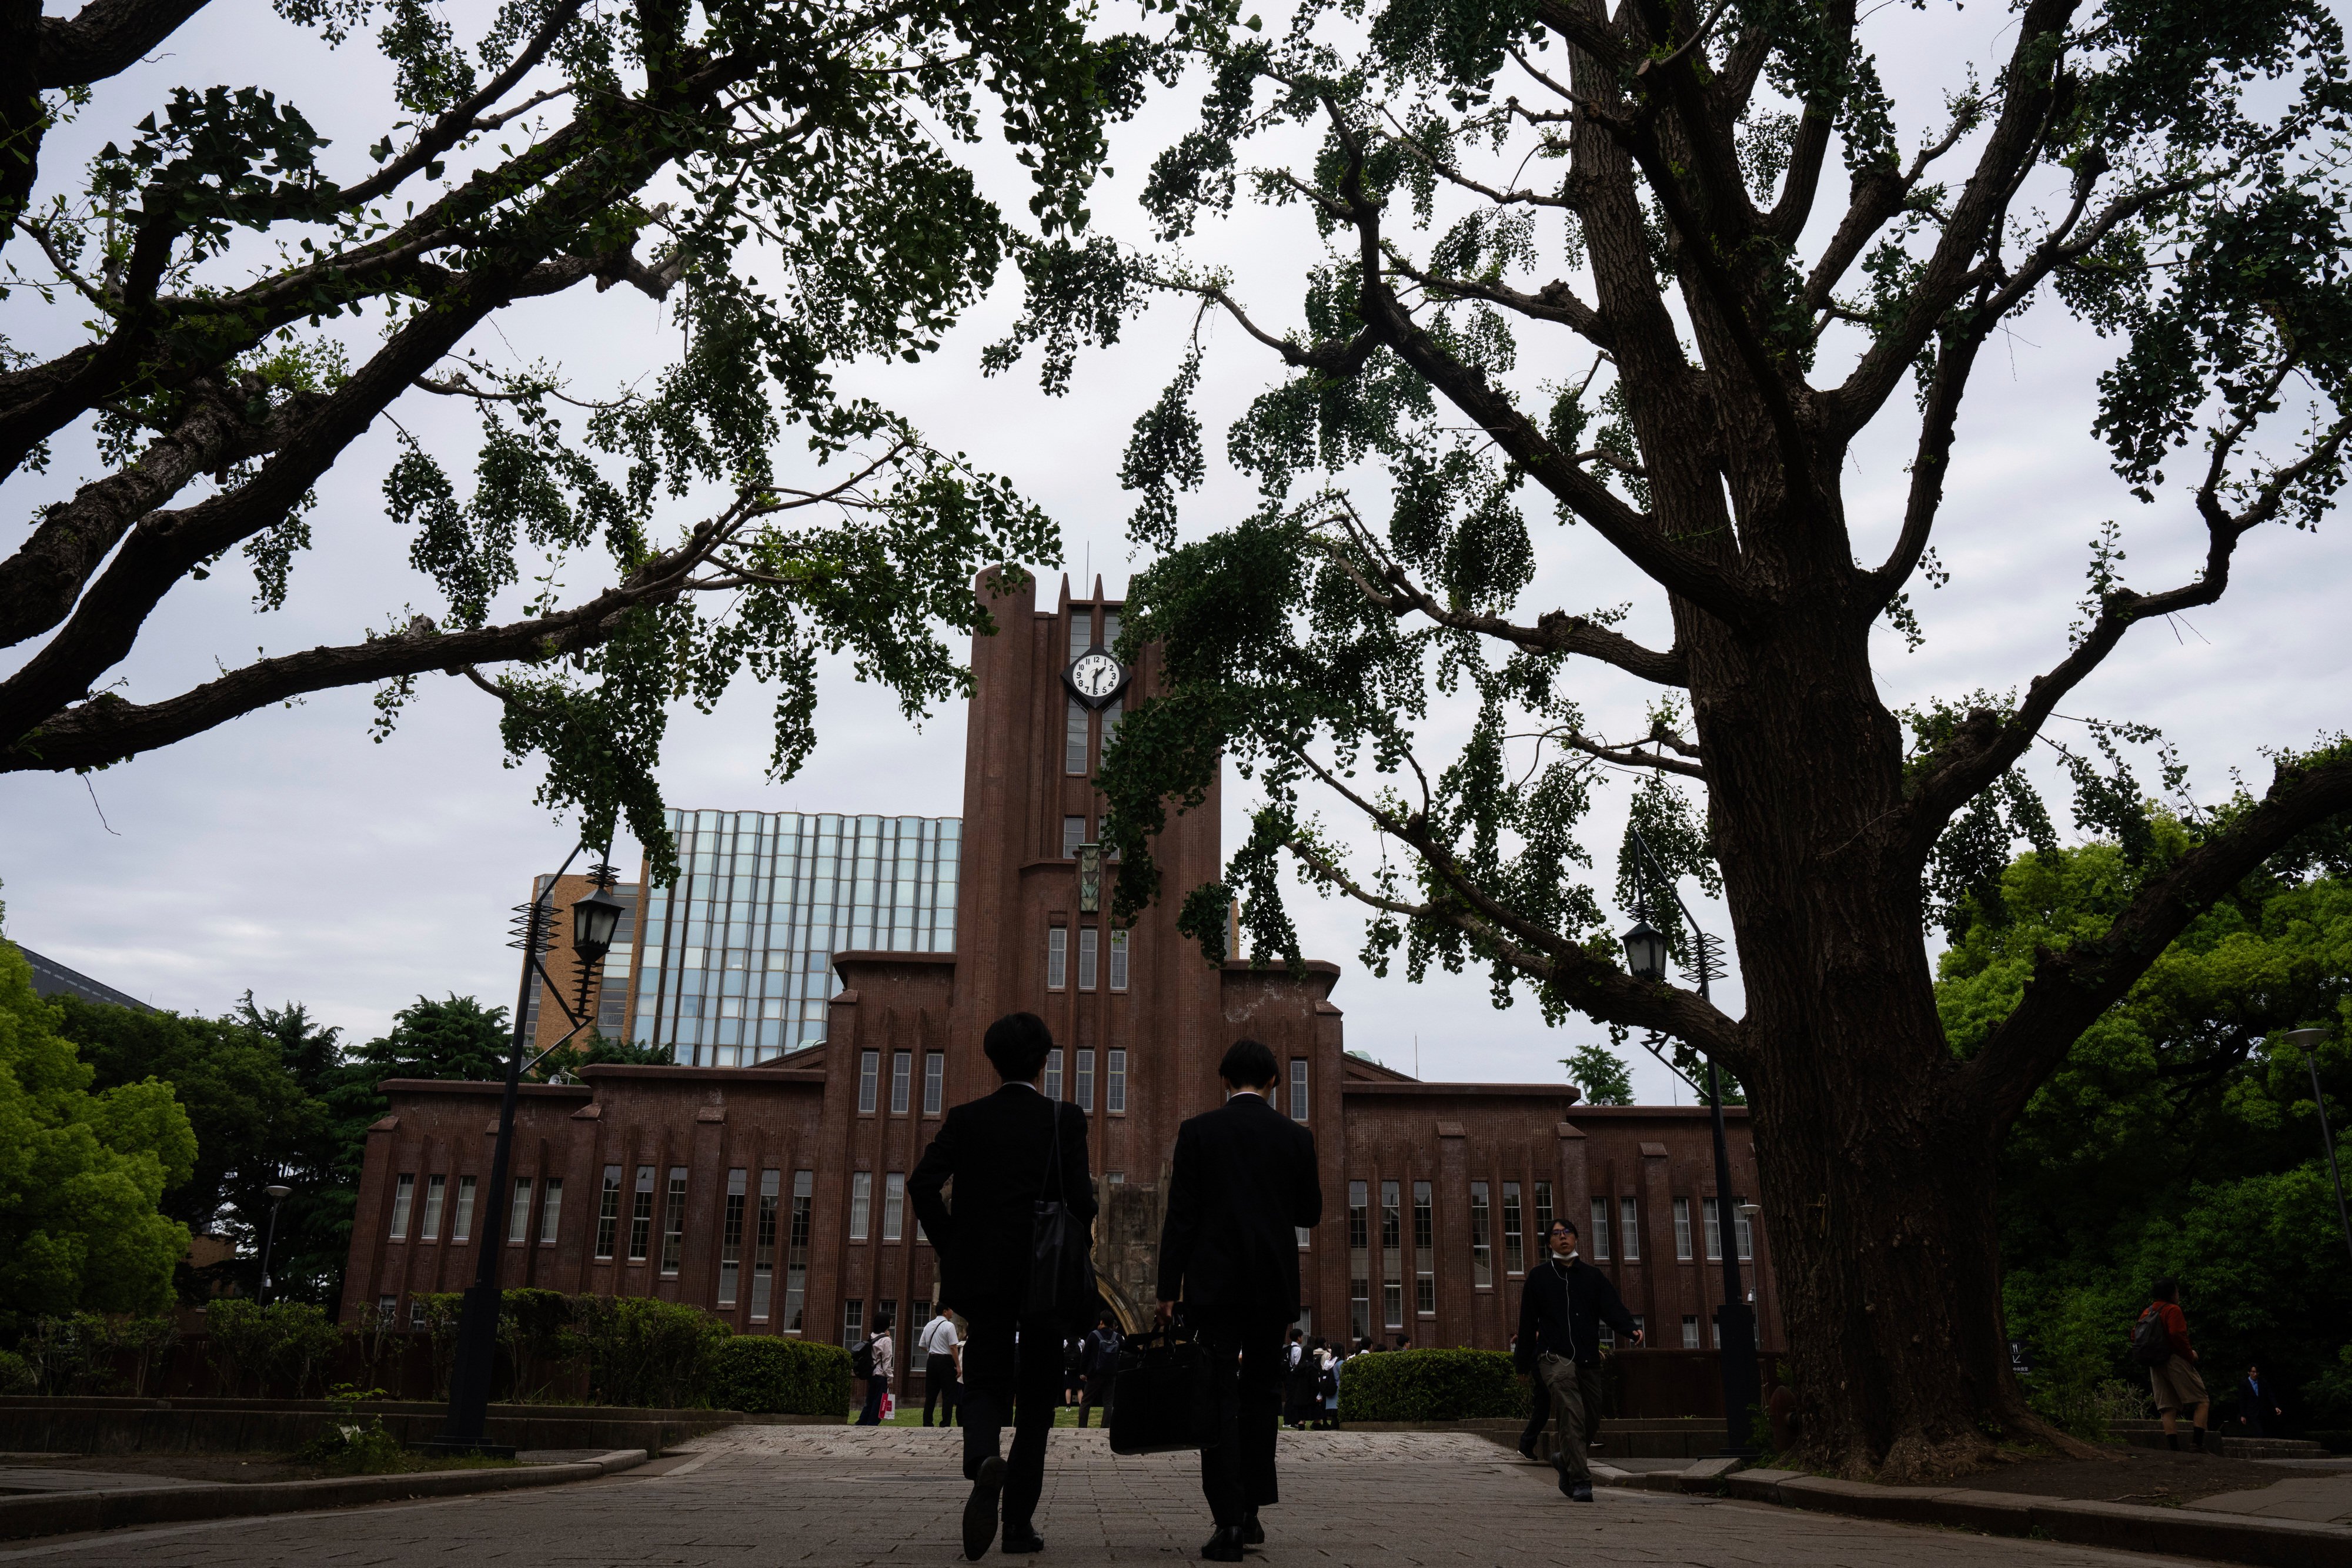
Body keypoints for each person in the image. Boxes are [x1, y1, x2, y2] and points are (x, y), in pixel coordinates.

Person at [911, 1012, 1098, 1560]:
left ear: (994, 1062)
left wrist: (953, 1245)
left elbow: (922, 1183)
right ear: (1045, 1062)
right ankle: (1017, 1525)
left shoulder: (967, 1119)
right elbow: (1084, 1202)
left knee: (987, 1378)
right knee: (1038, 1402)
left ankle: (981, 1462)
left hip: (984, 1276)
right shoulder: (1065, 1119)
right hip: (1045, 1275)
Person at [1156, 1038, 1323, 1564]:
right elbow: (1311, 1212)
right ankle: (1251, 1509)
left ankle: (1226, 1519)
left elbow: (1180, 1216)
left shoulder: (1199, 1131)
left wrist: (1168, 1288)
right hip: (1271, 1284)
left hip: (1215, 1285)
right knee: (1261, 1393)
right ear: (1273, 1081)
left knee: (1219, 1393)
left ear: (1224, 1080)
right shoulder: (1295, 1137)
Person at [1514, 1218, 1641, 1501]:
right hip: (1553, 1357)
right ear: (1549, 1243)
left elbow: (1611, 1306)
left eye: (1567, 1232)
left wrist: (1629, 1328)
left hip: (1587, 1358)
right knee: (1571, 1412)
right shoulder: (1539, 1276)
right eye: (1556, 1234)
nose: (1562, 1237)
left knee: (1591, 1417)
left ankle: (1564, 1457)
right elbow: (1526, 1322)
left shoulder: (1592, 1277)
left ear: (1576, 1239)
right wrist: (1522, 1363)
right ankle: (1582, 1481)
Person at [2137, 1278, 2209, 1452]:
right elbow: (2177, 1334)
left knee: (2167, 1406)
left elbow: (2135, 1336)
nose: (2178, 1295)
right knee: (2202, 1400)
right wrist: (2189, 1354)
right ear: (2171, 1294)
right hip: (2174, 1359)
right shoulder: (2172, 1310)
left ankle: (2174, 1448)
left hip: (2154, 1362)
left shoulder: (2147, 1312)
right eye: (2177, 1292)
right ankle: (2197, 1444)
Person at [921, 1306, 964, 1428]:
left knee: (931, 1394)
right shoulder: (949, 1326)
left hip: (932, 1360)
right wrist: (958, 1365)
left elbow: (922, 1344)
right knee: (948, 1394)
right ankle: (945, 1423)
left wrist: (932, 1350)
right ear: (945, 1312)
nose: (952, 1312)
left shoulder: (929, 1325)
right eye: (950, 1309)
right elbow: (953, 1347)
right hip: (946, 1360)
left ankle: (927, 1422)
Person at [1077, 1313, 1121, 1428]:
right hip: (1111, 1374)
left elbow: (1085, 1356)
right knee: (1108, 1403)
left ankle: (1082, 1427)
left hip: (1095, 1374)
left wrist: (1083, 1372)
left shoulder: (1093, 1336)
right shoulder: (1117, 1337)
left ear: (1101, 1322)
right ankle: (1106, 1427)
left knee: (1086, 1402)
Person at [858, 1317, 895, 1425]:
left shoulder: (873, 1336)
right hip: (881, 1374)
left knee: (870, 1399)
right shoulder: (886, 1340)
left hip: (872, 1373)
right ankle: (872, 1423)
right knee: (878, 1402)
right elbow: (887, 1361)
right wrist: (890, 1378)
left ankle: (862, 1421)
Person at [2239, 1365, 2283, 1438]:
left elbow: (2270, 1395)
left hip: (2262, 1411)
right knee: (2258, 1431)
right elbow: (2242, 1400)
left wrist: (2276, 1406)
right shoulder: (2244, 1383)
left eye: (2256, 1372)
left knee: (2264, 1430)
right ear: (2249, 1372)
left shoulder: (2263, 1382)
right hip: (2251, 1411)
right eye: (2253, 1372)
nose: (2255, 1374)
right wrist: (2243, 1415)